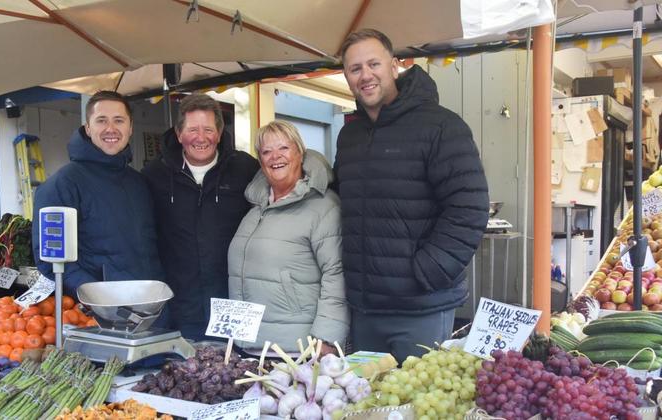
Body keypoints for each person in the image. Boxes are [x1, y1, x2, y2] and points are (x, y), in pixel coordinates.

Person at [334, 28, 489, 361]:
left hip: (421, 308)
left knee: (418, 406)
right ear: (346, 77)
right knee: (368, 406)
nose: (365, 75)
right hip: (365, 309)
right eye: (355, 68)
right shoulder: (350, 136)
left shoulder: (441, 127)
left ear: (394, 66)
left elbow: (470, 207)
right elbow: (345, 200)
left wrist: (427, 271)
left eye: (373, 64)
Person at [143, 93, 258, 340]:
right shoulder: (154, 175)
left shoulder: (245, 169)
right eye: (193, 129)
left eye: (208, 129)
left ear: (219, 132)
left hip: (233, 303)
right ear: (179, 134)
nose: (201, 137)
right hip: (178, 305)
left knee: (231, 372)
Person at [228, 121, 349, 353]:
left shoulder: (324, 206)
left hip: (297, 350)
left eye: (283, 148)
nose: (275, 156)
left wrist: (327, 339)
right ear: (260, 161)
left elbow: (337, 275)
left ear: (300, 152)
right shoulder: (255, 208)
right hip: (251, 347)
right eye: (266, 151)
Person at [32, 91, 164, 296]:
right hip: (102, 318)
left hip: (151, 308)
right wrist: (99, 298)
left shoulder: (140, 183)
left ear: (130, 128)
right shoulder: (63, 184)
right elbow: (52, 261)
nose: (110, 129)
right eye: (101, 120)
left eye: (119, 120)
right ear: (88, 128)